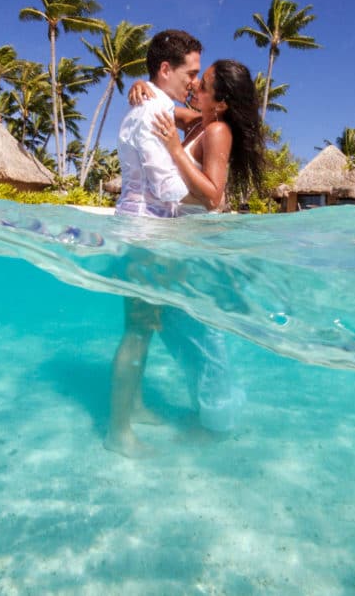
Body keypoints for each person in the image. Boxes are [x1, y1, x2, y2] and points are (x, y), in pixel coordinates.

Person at [105, 32, 265, 457]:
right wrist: (141, 88)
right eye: (192, 75)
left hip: (166, 235)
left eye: (202, 82)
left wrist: (173, 145)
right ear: (164, 70)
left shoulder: (206, 127)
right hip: (149, 232)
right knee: (141, 330)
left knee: (157, 329)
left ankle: (140, 410)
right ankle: (119, 429)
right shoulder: (178, 114)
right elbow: (167, 172)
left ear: (220, 99)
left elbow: (207, 192)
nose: (195, 84)